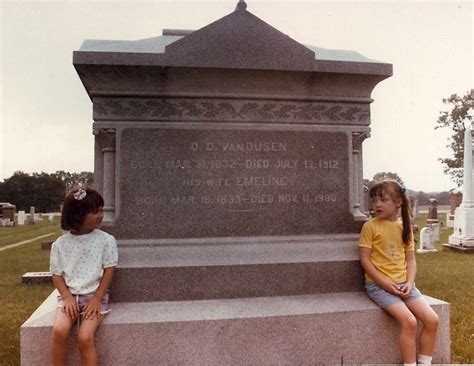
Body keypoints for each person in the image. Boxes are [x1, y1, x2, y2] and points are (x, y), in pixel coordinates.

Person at [359, 180, 439, 365]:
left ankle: (425, 363)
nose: (377, 204)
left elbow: (410, 260)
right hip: (379, 287)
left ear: (398, 202)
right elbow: (365, 260)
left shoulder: (405, 227)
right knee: (410, 322)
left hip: (405, 285)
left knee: (432, 320)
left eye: (383, 200)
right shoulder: (370, 227)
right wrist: (386, 284)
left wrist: (410, 283)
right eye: (374, 200)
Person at [50, 187, 118, 366]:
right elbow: (57, 275)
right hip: (69, 298)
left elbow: (109, 271)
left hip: (93, 298)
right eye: (95, 211)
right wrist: (67, 298)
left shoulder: (106, 240)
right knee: (59, 331)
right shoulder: (60, 245)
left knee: (85, 337)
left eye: (101, 210)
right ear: (78, 215)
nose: (101, 215)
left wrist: (97, 299)